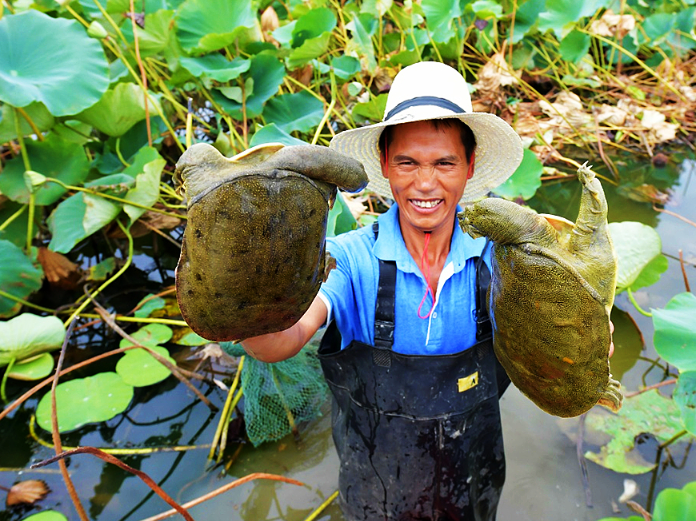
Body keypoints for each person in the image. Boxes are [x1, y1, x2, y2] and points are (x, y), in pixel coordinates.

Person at [242, 61, 612, 520]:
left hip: (474, 486)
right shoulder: (349, 257)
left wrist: (585, 336)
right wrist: (246, 271)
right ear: (384, 165)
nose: (424, 183)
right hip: (373, 490)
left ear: (470, 166)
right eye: (407, 163)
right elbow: (276, 342)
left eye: (444, 163)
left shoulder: (502, 261)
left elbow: (560, 351)